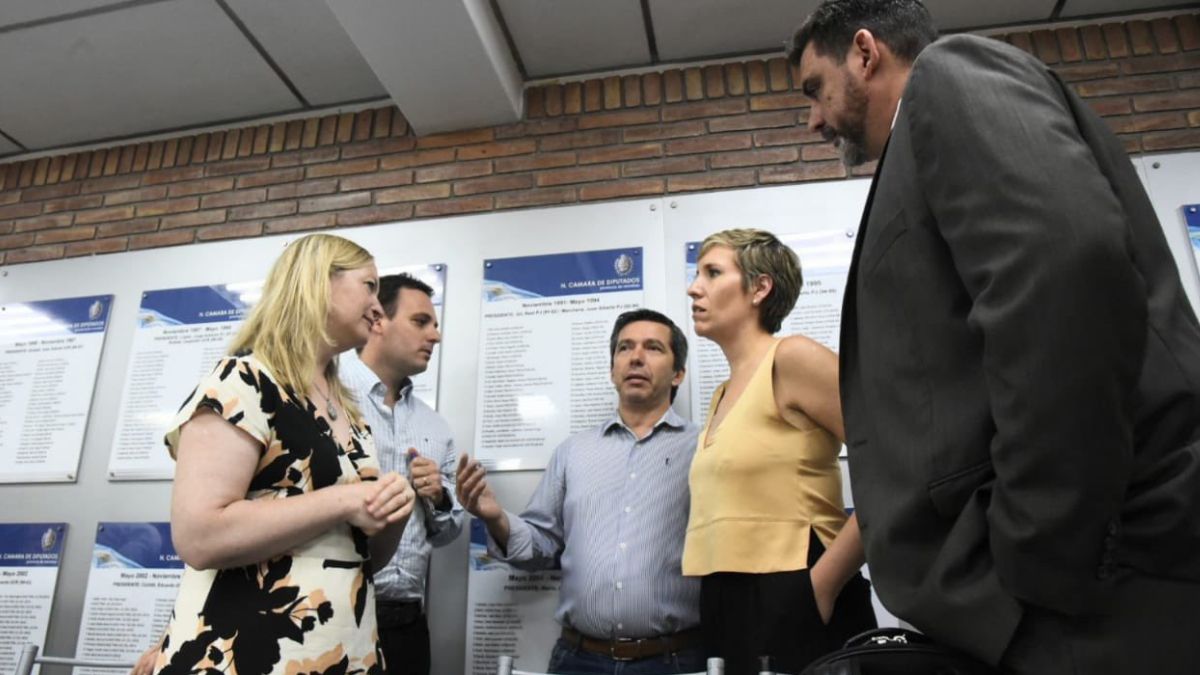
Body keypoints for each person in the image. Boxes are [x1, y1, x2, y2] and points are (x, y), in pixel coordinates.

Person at [791, 1, 1200, 673]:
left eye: (815, 89)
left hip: (1092, 602)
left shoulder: (949, 75)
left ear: (864, 52)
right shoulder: (917, 145)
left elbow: (1065, 269)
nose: (813, 118)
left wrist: (1038, 551)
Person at [152, 234, 416, 675]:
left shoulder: (350, 412)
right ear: (318, 281)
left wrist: (392, 513)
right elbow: (199, 536)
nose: (378, 306)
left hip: (344, 654)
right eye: (369, 286)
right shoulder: (242, 381)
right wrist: (345, 499)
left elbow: (362, 554)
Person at [456, 309, 703, 675]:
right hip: (579, 660)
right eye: (624, 348)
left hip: (671, 662)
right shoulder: (573, 452)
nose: (636, 357)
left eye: (653, 348)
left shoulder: (704, 450)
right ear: (612, 369)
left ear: (678, 372)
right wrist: (496, 518)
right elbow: (540, 547)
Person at [683, 228, 874, 675]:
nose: (694, 288)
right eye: (697, 274)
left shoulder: (793, 358)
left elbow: (896, 465)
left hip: (796, 588)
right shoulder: (722, 394)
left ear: (760, 288)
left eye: (712, 273)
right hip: (725, 600)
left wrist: (821, 586)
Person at [341, 273, 465, 675]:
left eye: (435, 324)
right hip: (336, 614)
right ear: (378, 320)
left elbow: (447, 533)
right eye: (420, 322)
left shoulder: (435, 428)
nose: (435, 336)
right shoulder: (327, 397)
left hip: (407, 624)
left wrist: (439, 498)